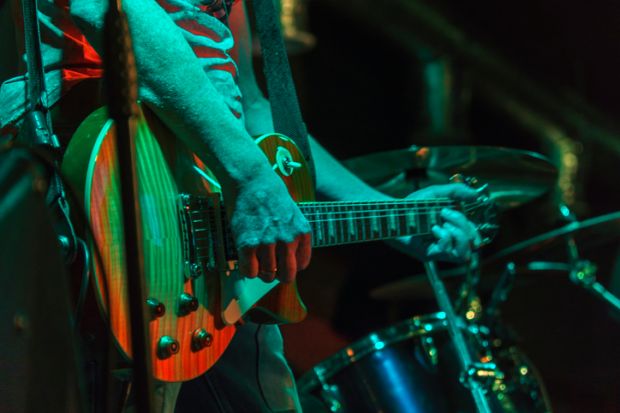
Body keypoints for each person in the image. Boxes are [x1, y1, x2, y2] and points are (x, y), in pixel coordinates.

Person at [0, 0, 482, 411]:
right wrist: (249, 177)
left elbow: (249, 105)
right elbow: (107, 9)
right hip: (107, 181)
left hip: (216, 223)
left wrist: (390, 213)